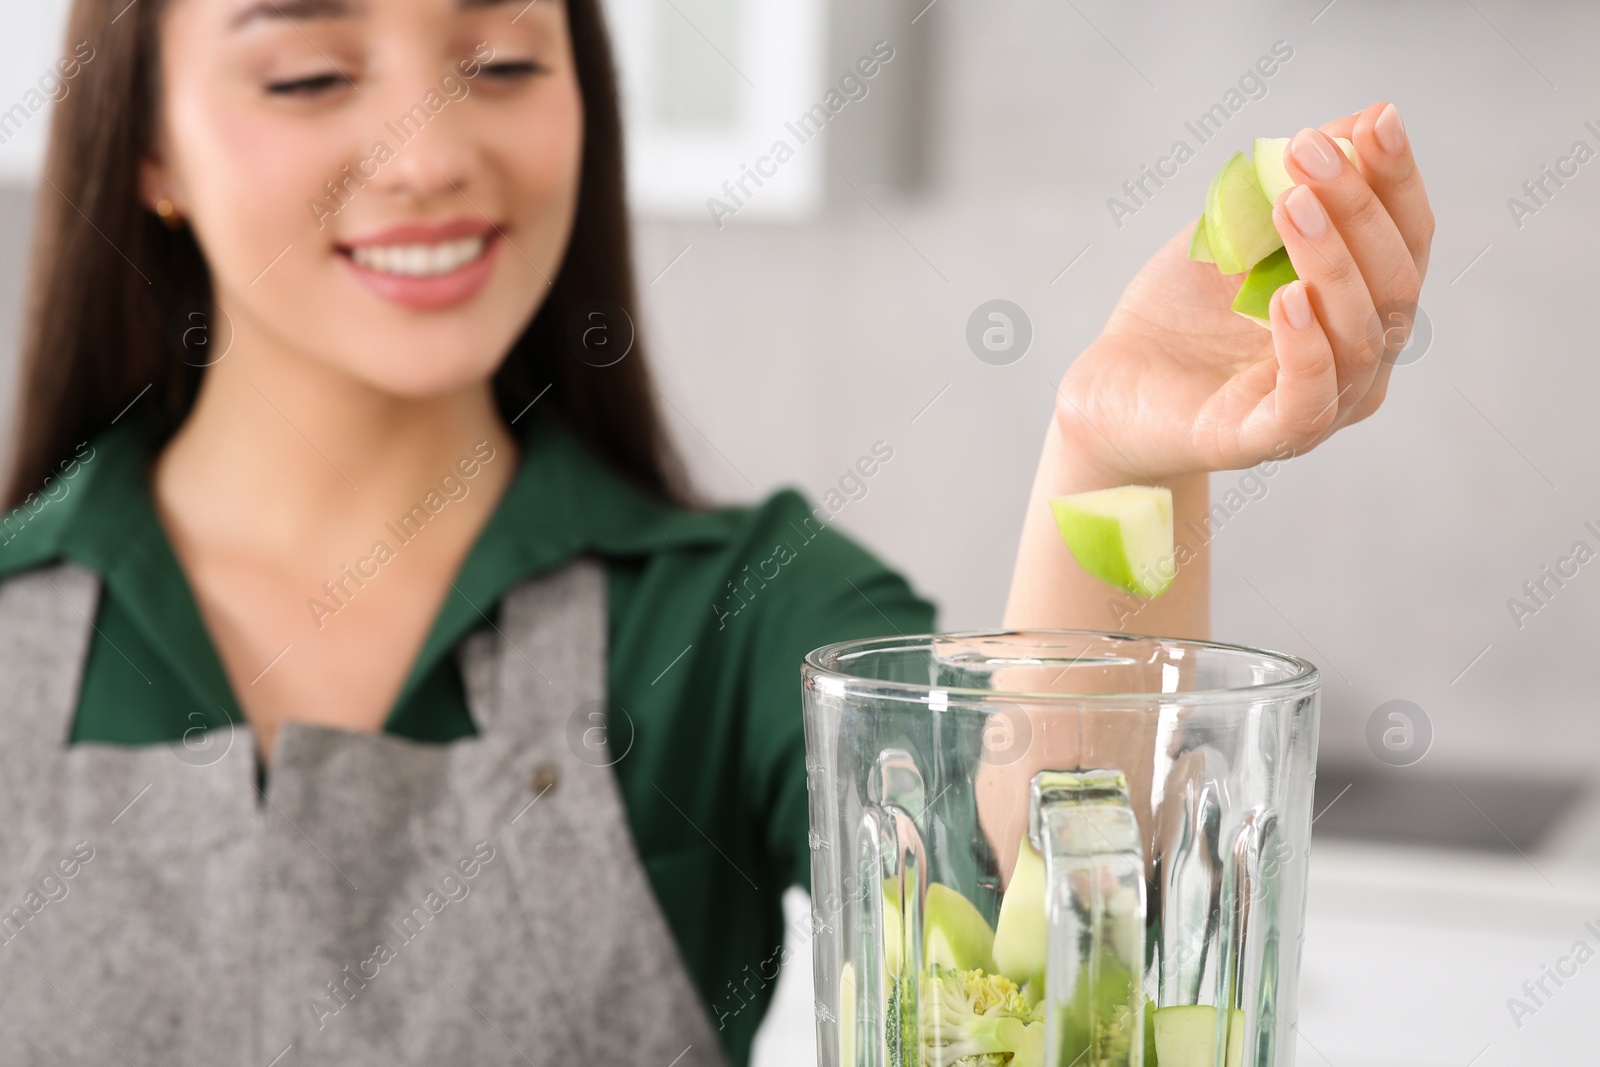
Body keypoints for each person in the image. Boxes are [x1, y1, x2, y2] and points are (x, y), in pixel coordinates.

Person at [0, 0, 1432, 1063]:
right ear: (145, 148)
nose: (428, 153)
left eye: (502, 61)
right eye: (310, 75)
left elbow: (1034, 921)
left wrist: (1113, 455)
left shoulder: (738, 611)